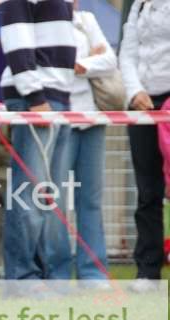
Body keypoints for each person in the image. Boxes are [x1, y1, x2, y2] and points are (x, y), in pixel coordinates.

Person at [0, 0, 76, 293]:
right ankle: (21, 279)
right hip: (37, 98)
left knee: (52, 197)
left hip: (58, 97)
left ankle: (50, 278)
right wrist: (35, 97)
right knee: (29, 194)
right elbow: (15, 36)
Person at [53, 1, 117, 287]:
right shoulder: (44, 21)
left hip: (92, 119)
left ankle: (93, 272)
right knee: (54, 202)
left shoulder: (87, 19)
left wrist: (82, 65)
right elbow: (52, 65)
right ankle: (58, 273)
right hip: (59, 119)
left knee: (90, 200)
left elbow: (110, 60)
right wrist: (91, 60)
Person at [120, 0, 170, 291]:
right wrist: (134, 90)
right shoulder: (137, 4)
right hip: (143, 104)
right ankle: (148, 272)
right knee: (147, 190)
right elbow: (127, 53)